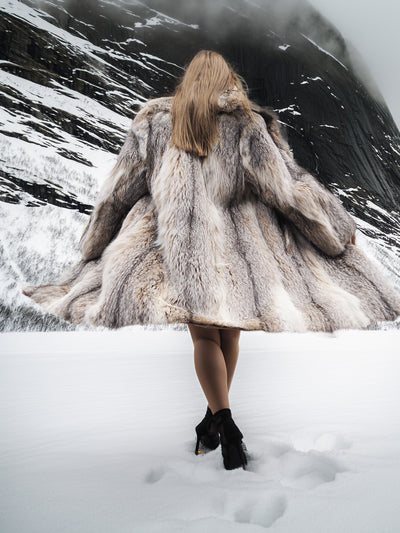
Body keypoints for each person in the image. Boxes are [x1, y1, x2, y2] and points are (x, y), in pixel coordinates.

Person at [22, 50, 400, 471]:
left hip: (179, 248)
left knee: (204, 338)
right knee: (228, 335)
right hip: (236, 253)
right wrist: (331, 230)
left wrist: (96, 242)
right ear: (227, 79)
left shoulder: (153, 122)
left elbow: (120, 191)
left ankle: (217, 422)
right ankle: (220, 422)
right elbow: (286, 190)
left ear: (188, 79)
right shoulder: (246, 124)